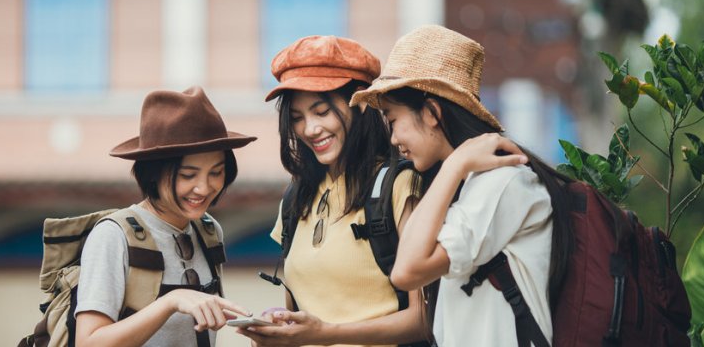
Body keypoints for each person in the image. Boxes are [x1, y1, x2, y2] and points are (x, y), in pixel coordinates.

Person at [350, 25, 574, 347]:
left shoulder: (504, 182)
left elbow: (406, 271)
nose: (394, 138)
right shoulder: (468, 187)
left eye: (393, 119)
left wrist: (455, 164)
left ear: (431, 112)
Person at [239, 35, 431, 347]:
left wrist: (327, 333)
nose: (310, 129)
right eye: (297, 118)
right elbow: (301, 319)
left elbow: (423, 318)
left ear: (361, 103)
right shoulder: (295, 198)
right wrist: (277, 330)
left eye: (321, 111)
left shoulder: (399, 185)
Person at [75, 86, 257, 347]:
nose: (204, 188)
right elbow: (88, 342)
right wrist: (170, 302)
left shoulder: (208, 231)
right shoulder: (113, 236)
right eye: (188, 175)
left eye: (216, 172)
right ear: (153, 173)